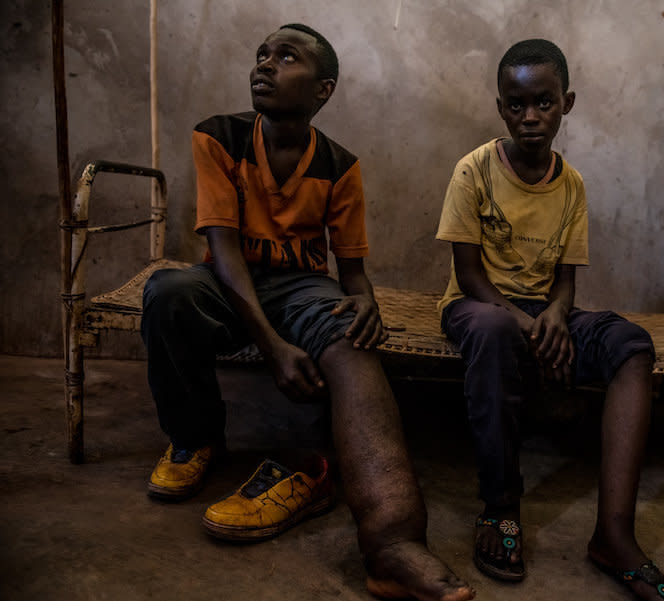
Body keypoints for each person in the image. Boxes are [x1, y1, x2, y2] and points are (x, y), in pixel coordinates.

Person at [141, 23, 475, 601]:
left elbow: (350, 273)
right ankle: (195, 438)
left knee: (352, 336)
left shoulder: (341, 166)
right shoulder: (218, 136)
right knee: (169, 292)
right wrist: (273, 348)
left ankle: (393, 542)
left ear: (323, 90)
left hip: (302, 287)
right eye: (262, 55)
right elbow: (222, 249)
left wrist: (365, 304)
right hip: (227, 281)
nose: (264, 65)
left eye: (285, 57)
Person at [435, 39, 664, 600]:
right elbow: (470, 276)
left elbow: (567, 279)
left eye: (543, 103)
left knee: (631, 344)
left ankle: (614, 534)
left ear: (566, 103)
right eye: (516, 104)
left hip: (541, 312)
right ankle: (500, 508)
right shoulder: (474, 170)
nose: (530, 117)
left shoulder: (570, 184)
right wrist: (526, 324)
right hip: (477, 307)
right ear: (500, 107)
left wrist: (555, 314)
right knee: (495, 330)